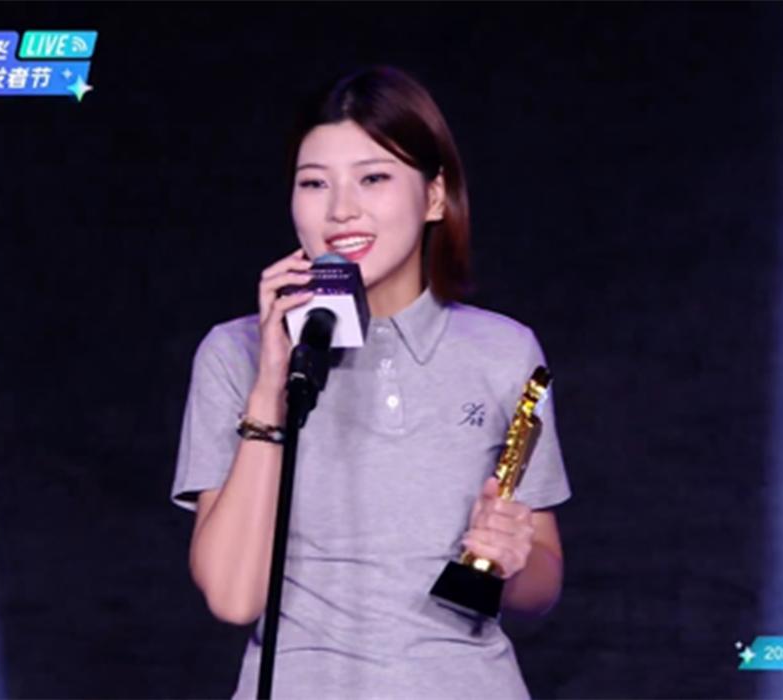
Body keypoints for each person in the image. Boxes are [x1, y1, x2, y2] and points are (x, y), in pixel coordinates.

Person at [171, 65, 571, 699]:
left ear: (434, 197)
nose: (340, 210)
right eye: (314, 183)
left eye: (374, 178)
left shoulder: (504, 351)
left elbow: (540, 586)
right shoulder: (235, 353)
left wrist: (509, 559)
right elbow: (232, 594)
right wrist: (271, 385)